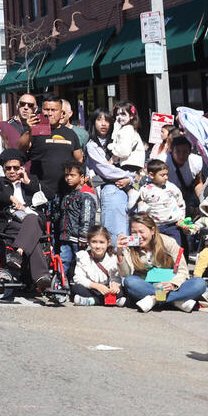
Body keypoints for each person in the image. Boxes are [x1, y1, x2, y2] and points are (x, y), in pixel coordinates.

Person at [0, 149, 53, 292]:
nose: (12, 171)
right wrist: (10, 198)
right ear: (3, 168)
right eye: (8, 168)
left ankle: (18, 253)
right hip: (11, 222)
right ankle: (42, 277)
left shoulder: (30, 181)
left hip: (33, 219)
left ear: (22, 167)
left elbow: (50, 195)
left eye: (16, 167)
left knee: (32, 218)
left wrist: (28, 181)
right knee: (34, 237)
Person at [117, 213, 205, 312]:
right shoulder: (130, 245)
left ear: (152, 230)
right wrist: (120, 253)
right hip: (147, 285)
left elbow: (182, 270)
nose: (138, 236)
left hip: (170, 284)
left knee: (199, 283)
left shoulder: (168, 242)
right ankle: (176, 301)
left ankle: (154, 299)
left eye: (142, 232)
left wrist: (172, 284)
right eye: (134, 232)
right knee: (130, 281)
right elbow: (126, 274)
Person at [28, 94, 84, 245]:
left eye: (54, 110)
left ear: (62, 113)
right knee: (43, 233)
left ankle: (62, 264)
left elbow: (79, 158)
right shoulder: (36, 131)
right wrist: (29, 130)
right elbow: (20, 149)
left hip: (65, 193)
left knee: (64, 233)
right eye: (46, 109)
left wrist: (79, 179)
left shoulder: (71, 134)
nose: (49, 113)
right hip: (40, 193)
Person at [85, 108, 133, 238]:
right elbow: (105, 171)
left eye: (107, 120)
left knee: (131, 229)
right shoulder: (91, 145)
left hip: (129, 189)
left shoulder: (120, 140)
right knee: (116, 231)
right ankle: (117, 255)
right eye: (99, 119)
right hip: (109, 189)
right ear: (93, 122)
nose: (103, 123)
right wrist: (128, 176)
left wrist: (130, 179)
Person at [58, 160, 98, 278]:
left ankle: (81, 285)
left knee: (81, 263)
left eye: (72, 175)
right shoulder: (68, 194)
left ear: (81, 177)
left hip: (78, 239)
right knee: (63, 260)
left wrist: (84, 235)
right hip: (66, 236)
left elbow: (87, 217)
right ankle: (60, 284)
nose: (68, 178)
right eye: (66, 175)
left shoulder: (86, 195)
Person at [136, 158, 187, 246]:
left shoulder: (171, 187)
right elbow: (141, 208)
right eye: (162, 175)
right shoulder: (145, 190)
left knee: (175, 248)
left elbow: (180, 202)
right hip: (156, 227)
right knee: (158, 249)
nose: (166, 177)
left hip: (173, 226)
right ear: (151, 175)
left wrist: (182, 218)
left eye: (167, 174)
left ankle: (177, 260)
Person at [71, 225, 125, 306]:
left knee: (121, 291)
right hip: (92, 288)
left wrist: (114, 284)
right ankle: (110, 301)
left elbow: (115, 276)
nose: (98, 246)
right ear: (89, 242)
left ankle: (92, 301)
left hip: (106, 289)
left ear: (108, 242)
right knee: (76, 288)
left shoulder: (112, 257)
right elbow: (78, 277)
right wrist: (95, 286)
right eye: (94, 242)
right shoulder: (83, 256)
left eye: (102, 242)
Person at [182, 193, 208, 277]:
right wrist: (188, 229)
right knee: (203, 257)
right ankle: (196, 277)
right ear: (206, 208)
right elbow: (195, 227)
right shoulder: (204, 220)